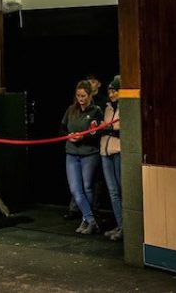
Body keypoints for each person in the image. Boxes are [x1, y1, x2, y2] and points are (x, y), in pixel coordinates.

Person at [61, 80, 104, 235]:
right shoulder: (71, 110)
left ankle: (87, 220)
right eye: (78, 95)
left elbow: (97, 133)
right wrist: (69, 136)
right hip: (72, 153)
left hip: (89, 154)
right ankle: (91, 220)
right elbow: (62, 128)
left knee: (87, 187)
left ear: (90, 95)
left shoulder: (96, 111)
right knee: (75, 189)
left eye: (84, 96)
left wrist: (82, 138)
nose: (81, 99)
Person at [101, 76, 123, 241]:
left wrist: (110, 130)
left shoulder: (125, 108)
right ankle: (119, 224)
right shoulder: (107, 108)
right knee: (112, 191)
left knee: (121, 190)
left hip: (118, 150)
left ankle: (125, 227)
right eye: (110, 91)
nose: (112, 94)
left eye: (115, 90)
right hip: (105, 151)